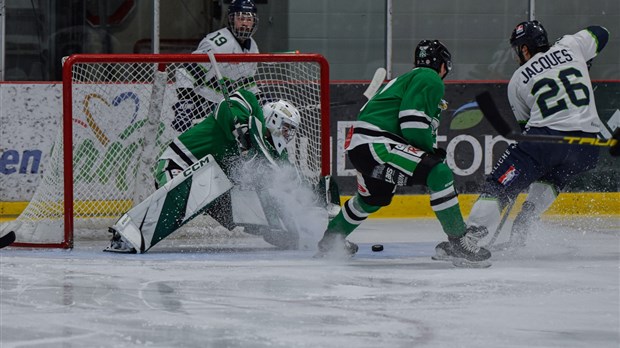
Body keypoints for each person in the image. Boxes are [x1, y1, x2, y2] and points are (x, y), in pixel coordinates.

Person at [315, 40, 492, 268]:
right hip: (377, 144)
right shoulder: (429, 77)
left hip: (363, 146)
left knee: (373, 198)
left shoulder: (406, 80)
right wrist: (430, 153)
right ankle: (459, 242)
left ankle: (331, 241)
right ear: (442, 64)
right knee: (438, 172)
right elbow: (412, 124)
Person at [458, 21, 610, 250]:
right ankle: (524, 224)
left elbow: (525, 128)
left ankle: (468, 240)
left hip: (547, 139)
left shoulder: (518, 79)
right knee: (553, 178)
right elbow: (602, 32)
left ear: (525, 49)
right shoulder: (570, 45)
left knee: (499, 185)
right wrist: (575, 51)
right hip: (587, 145)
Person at [107, 88, 301, 252]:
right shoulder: (250, 105)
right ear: (273, 119)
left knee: (251, 204)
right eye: (286, 127)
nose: (287, 134)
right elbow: (227, 106)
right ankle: (127, 234)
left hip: (214, 183)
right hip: (179, 165)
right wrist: (241, 126)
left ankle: (279, 232)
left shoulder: (273, 153)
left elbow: (287, 178)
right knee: (190, 194)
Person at [172, 0, 260, 131]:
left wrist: (260, 98)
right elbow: (185, 73)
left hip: (228, 109)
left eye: (249, 19)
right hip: (202, 106)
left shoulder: (252, 47)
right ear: (231, 19)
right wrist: (186, 105)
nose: (245, 23)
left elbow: (246, 83)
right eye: (240, 18)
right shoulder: (216, 43)